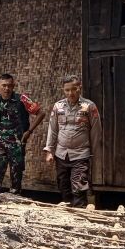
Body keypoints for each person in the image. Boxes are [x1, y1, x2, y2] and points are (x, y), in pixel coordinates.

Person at [43, 74, 102, 208]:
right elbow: (52, 129)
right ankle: (67, 213)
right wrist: (49, 151)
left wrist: (93, 153)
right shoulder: (58, 106)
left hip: (81, 154)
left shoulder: (89, 106)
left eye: (74, 89)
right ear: (63, 90)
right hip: (61, 154)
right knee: (63, 185)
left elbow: (96, 132)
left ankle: (80, 215)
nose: (71, 93)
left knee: (79, 187)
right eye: (67, 90)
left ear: (79, 88)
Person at [0, 74, 45, 194]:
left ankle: (14, 204)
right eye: (3, 86)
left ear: (13, 86)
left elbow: (40, 113)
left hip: (17, 144)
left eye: (9, 86)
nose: (6, 89)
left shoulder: (22, 99)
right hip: (0, 143)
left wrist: (29, 131)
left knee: (16, 179)